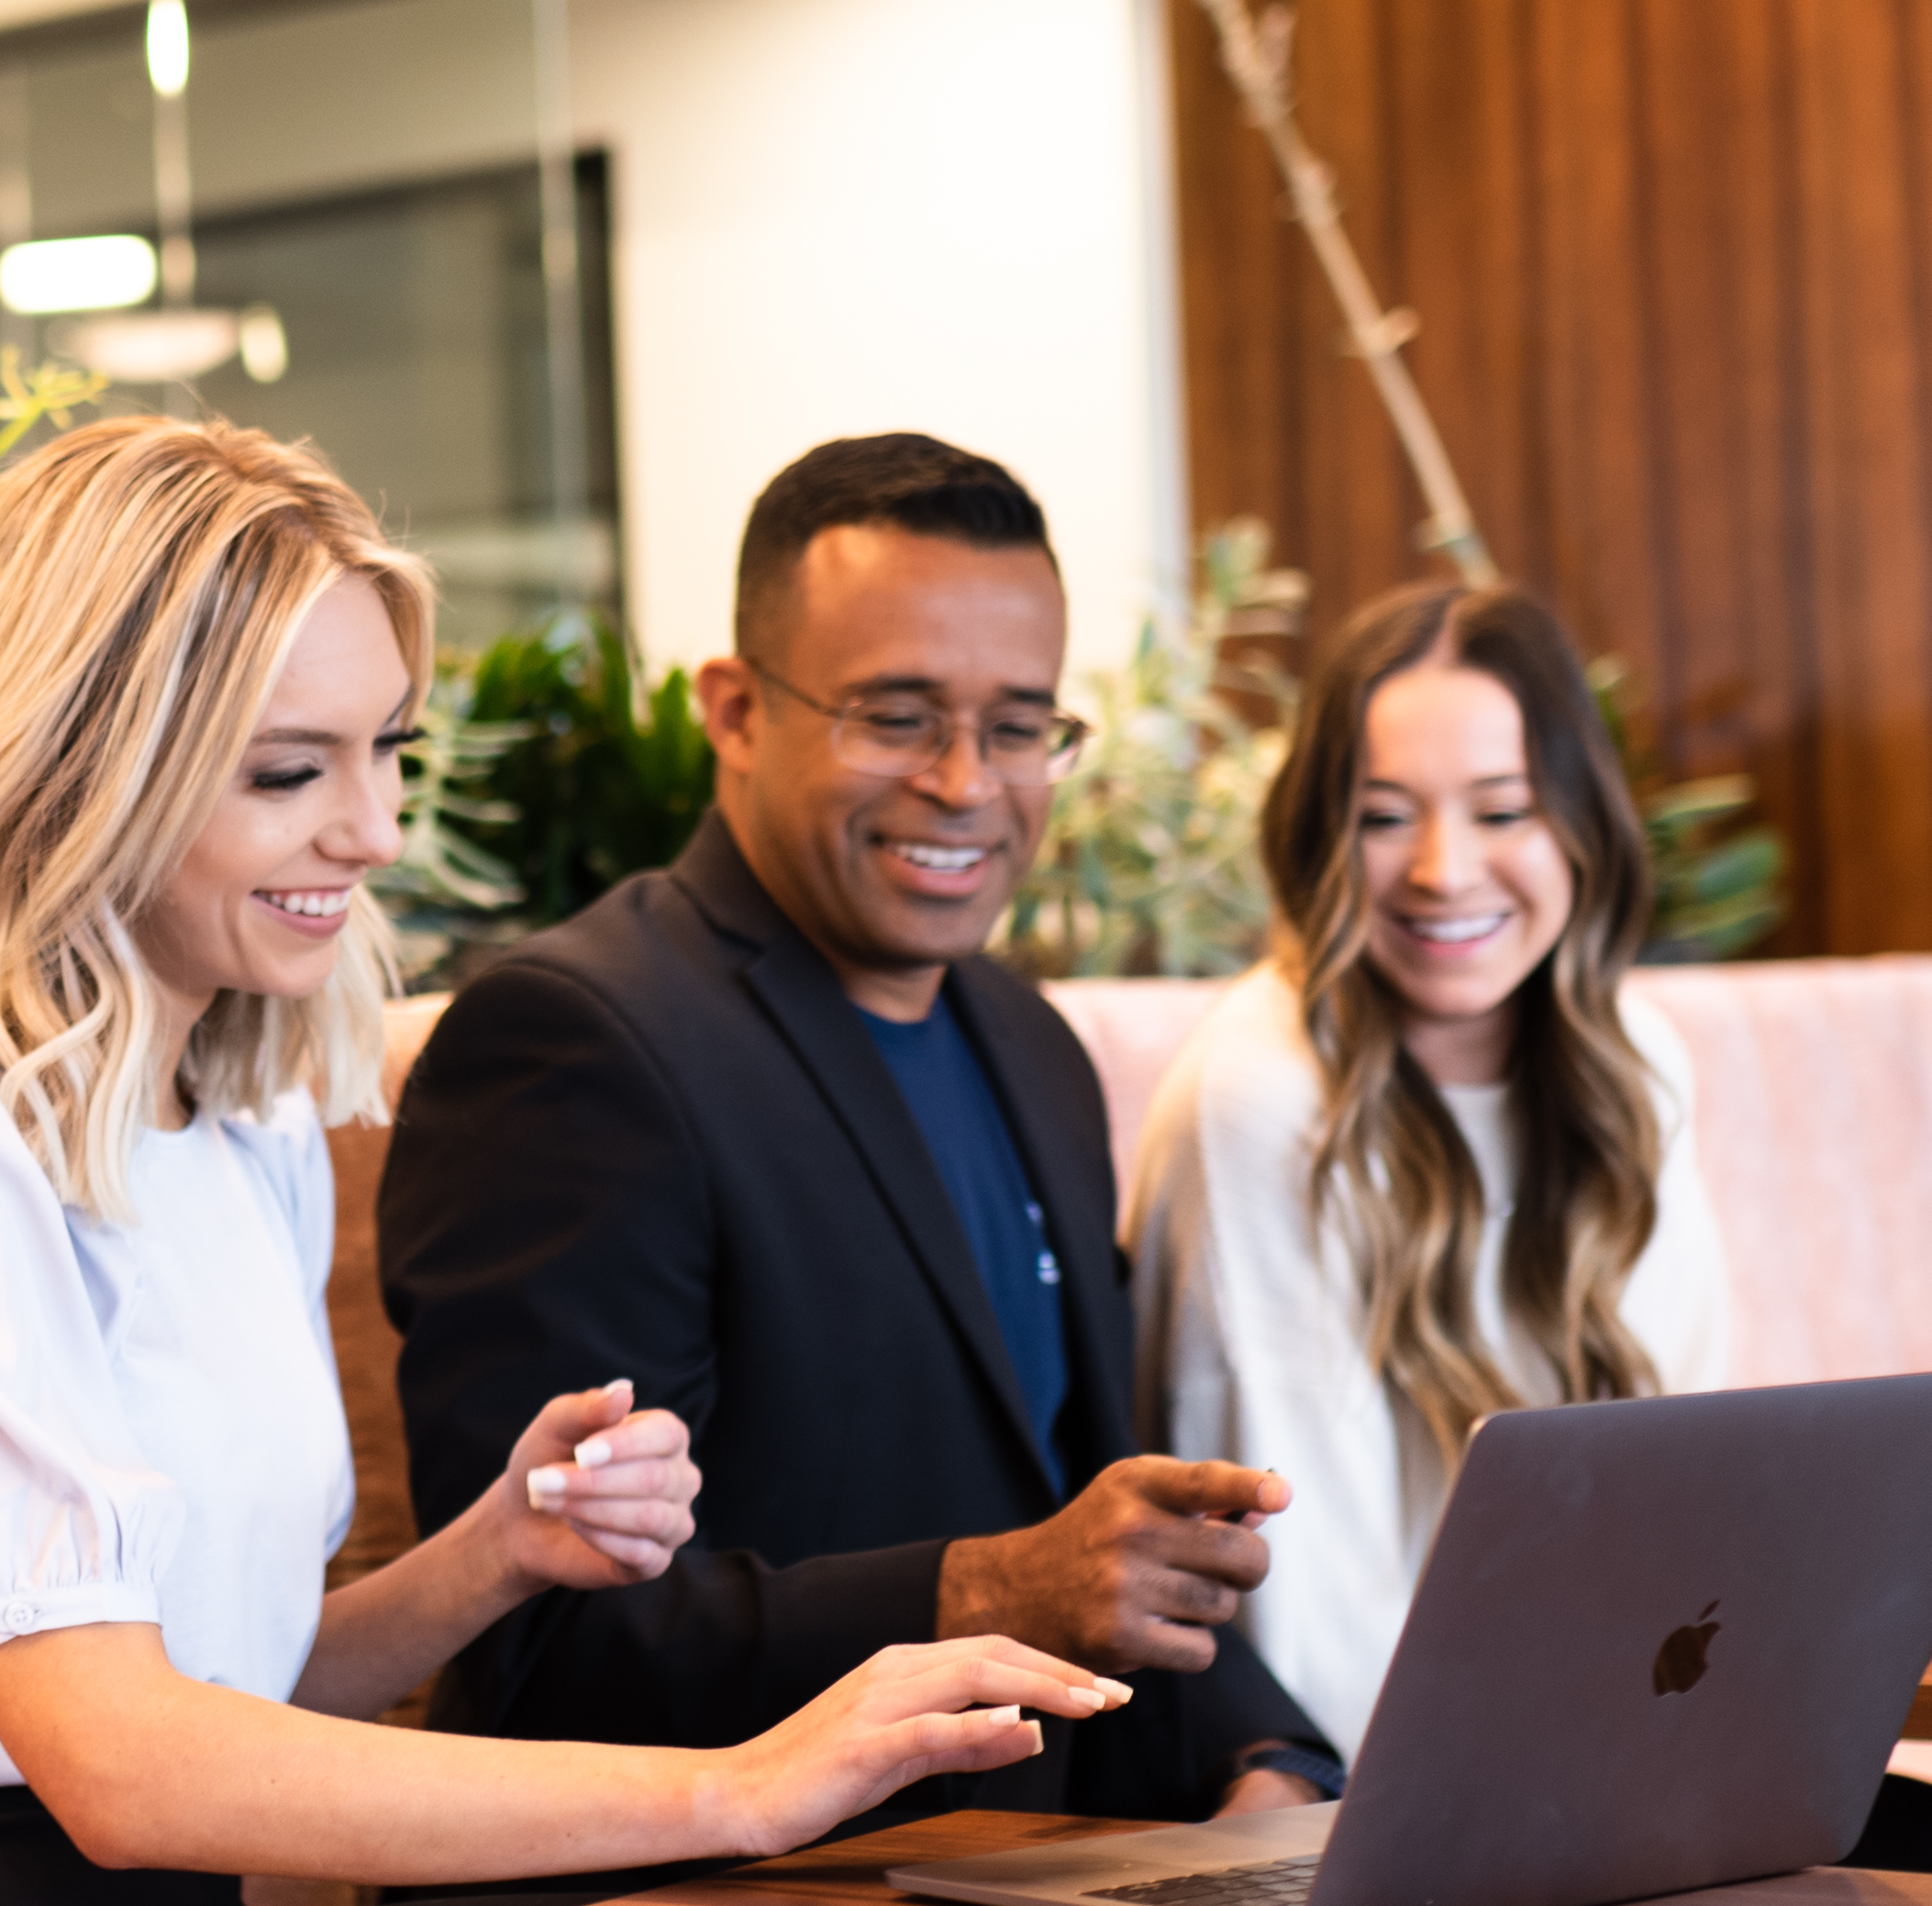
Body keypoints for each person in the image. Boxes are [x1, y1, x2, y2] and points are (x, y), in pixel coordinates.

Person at [0, 418, 1121, 1906]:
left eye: (387, 750)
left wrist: (495, 1557)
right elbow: (120, 1766)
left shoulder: (238, 1124)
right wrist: (738, 1787)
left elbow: (224, 1683)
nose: (373, 831)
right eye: (287, 772)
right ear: (87, 766)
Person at [381, 433, 1338, 1829]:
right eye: (897, 717)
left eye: (1020, 728)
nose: (966, 783)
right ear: (735, 711)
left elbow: (1101, 1549)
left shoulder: (1031, 1044)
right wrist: (993, 1589)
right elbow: (537, 1643)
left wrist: (1264, 1771)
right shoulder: (575, 1043)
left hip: (1033, 1895)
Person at [1122, 578, 1932, 1872]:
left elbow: (1677, 1483)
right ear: (1323, 841)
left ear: (1580, 826)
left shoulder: (1631, 1063)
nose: (1444, 872)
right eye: (1385, 818)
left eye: (1502, 811)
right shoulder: (1263, 1094)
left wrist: (1869, 1552)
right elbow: (1296, 1602)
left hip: (1613, 1752)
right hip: (1412, 1806)